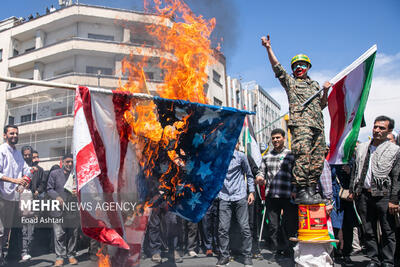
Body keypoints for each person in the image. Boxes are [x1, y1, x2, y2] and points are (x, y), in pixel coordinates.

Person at [261, 35, 331, 204]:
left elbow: (320, 105)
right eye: (296, 65)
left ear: (308, 67)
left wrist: (325, 91)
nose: (299, 67)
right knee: (302, 156)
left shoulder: (314, 85)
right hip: (301, 125)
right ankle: (301, 190)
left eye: (302, 65)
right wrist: (268, 48)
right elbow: (277, 68)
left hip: (317, 126)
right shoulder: (291, 83)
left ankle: (310, 189)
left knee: (316, 159)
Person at [349, 115, 400, 267]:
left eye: (382, 128)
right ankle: (374, 260)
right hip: (364, 194)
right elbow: (355, 170)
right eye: (375, 126)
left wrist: (393, 200)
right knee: (368, 230)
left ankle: (388, 261)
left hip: (384, 196)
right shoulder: (362, 147)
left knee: (387, 230)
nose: (377, 130)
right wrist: (353, 189)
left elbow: (397, 177)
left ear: (389, 131)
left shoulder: (394, 150)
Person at [255, 128, 297, 260]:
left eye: (278, 137)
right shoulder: (266, 156)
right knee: (273, 226)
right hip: (271, 195)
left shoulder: (291, 155)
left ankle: (290, 250)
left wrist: (295, 190)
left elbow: (297, 175)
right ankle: (275, 251)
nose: (275, 140)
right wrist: (260, 178)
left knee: (290, 224)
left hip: (288, 194)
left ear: (284, 138)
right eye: (273, 138)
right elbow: (261, 172)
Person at [216, 143, 254, 267]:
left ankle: (247, 256)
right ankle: (224, 256)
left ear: (237, 144)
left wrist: (251, 192)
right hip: (224, 196)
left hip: (240, 195)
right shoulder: (219, 157)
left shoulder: (241, 157)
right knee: (222, 228)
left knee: (245, 227)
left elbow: (249, 174)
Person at [0, 125, 31, 266]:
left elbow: (27, 170)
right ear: (5, 135)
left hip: (14, 197)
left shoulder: (18, 154)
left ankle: (2, 258)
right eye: (11, 133)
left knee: (6, 231)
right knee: (1, 231)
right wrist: (14, 180)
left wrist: (24, 182)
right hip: (2, 196)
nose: (14, 135)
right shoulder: (1, 150)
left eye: (16, 133)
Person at [47, 154, 79, 266]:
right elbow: (49, 189)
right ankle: (59, 257)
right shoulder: (54, 174)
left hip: (72, 209)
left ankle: (71, 255)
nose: (70, 164)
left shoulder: (76, 174)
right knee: (59, 234)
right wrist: (57, 197)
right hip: (58, 209)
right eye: (67, 162)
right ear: (63, 162)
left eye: (71, 162)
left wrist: (78, 193)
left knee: (72, 234)